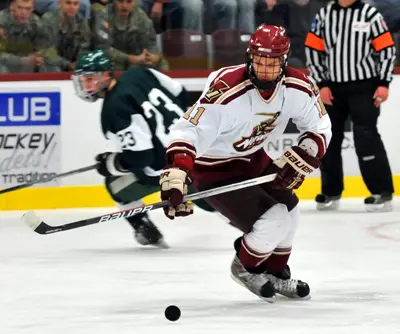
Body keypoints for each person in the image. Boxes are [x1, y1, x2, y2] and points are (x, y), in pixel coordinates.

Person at [159, 24, 332, 302]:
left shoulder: (297, 87)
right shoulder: (227, 89)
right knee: (274, 219)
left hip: (254, 158)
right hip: (215, 169)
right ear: (250, 57)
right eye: (260, 61)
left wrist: (304, 152)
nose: (264, 69)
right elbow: (189, 130)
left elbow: (320, 124)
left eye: (272, 63)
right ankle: (245, 268)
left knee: (291, 214)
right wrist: (178, 170)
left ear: (284, 61)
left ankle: (275, 273)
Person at [72, 49, 214, 248]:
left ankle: (146, 231)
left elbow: (141, 158)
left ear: (105, 75)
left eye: (89, 78)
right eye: (82, 79)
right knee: (215, 201)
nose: (84, 85)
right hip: (196, 149)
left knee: (115, 186)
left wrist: (111, 164)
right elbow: (180, 93)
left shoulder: (114, 109)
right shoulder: (140, 73)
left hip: (169, 170)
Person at [305, 0, 396, 212]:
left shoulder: (370, 14)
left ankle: (381, 192)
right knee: (329, 139)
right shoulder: (324, 15)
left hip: (365, 87)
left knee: (367, 136)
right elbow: (312, 48)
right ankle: (330, 192)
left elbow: (386, 50)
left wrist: (383, 82)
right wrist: (322, 83)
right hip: (332, 88)